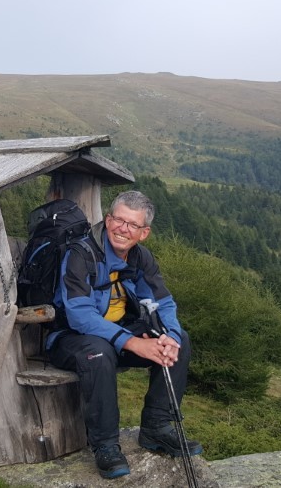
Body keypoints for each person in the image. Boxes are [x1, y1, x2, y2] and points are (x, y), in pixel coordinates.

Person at [46, 190, 202, 479]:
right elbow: (80, 315)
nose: (123, 229)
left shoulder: (141, 258)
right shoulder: (80, 254)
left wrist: (170, 336)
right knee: (98, 351)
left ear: (144, 233)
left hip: (116, 335)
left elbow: (162, 302)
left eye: (133, 225)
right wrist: (132, 343)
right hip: (69, 338)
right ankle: (105, 445)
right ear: (108, 220)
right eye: (118, 220)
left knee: (181, 339)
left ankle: (157, 427)